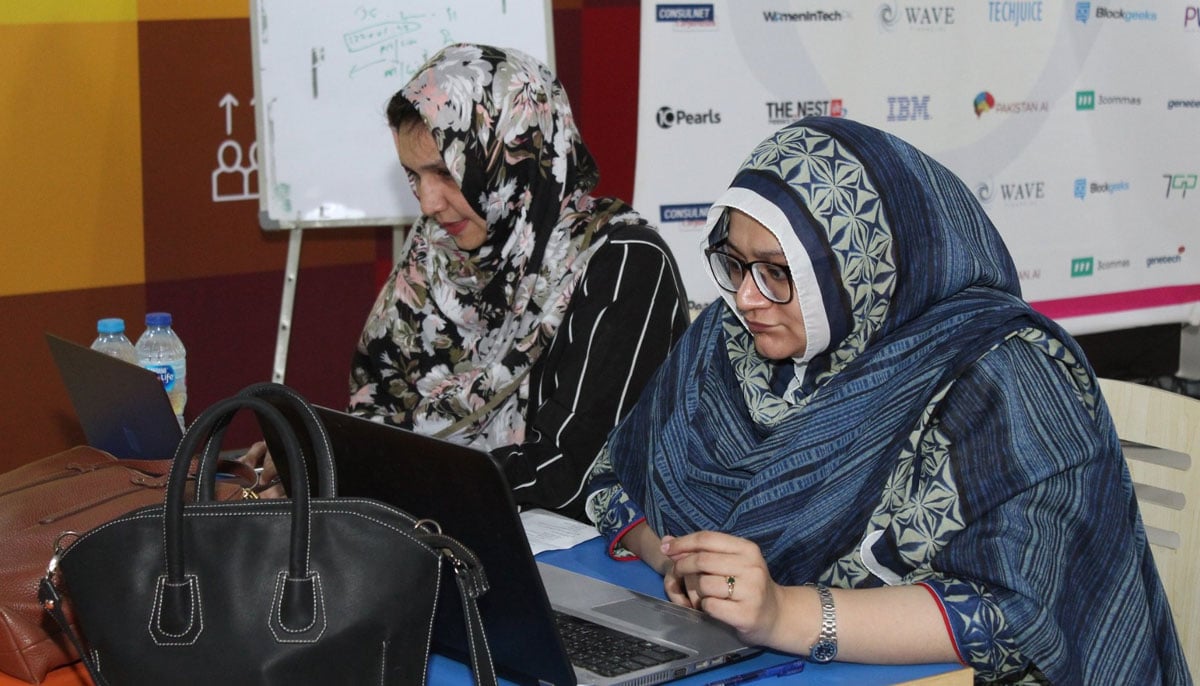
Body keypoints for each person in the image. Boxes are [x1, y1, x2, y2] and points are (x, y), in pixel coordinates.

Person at [585, 117, 1189, 684]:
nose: (746, 297)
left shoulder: (1005, 374)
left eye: (777, 270)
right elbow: (617, 482)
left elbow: (1017, 613)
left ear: (859, 267)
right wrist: (680, 565)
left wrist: (784, 615)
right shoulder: (729, 340)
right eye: (735, 262)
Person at [347, 43, 690, 520]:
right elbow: (379, 399)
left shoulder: (624, 265)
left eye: (445, 173)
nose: (427, 202)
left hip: (575, 566)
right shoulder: (435, 251)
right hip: (430, 529)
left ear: (513, 157)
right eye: (413, 175)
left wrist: (386, 481)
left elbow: (571, 470)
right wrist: (320, 460)